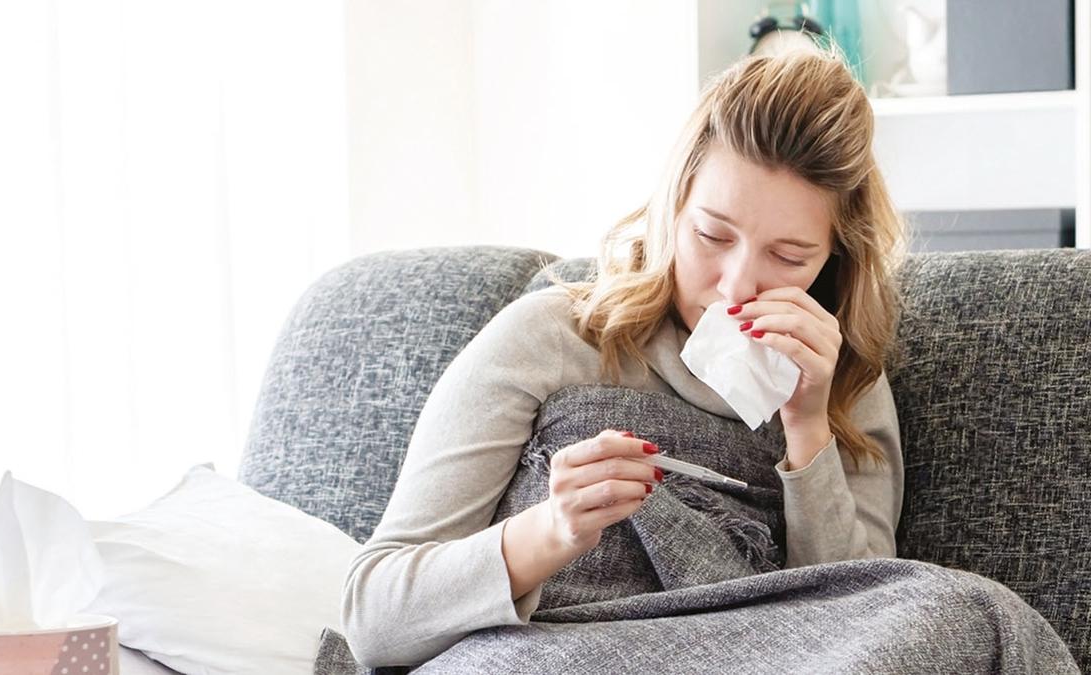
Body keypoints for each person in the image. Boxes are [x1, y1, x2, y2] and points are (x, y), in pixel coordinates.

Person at [341, 47, 907, 667]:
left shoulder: (846, 383)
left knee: (962, 603)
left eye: (789, 257)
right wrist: (552, 531)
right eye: (712, 236)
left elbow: (867, 633)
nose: (736, 287)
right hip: (554, 656)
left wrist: (807, 426)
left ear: (835, 256)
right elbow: (375, 618)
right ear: (671, 210)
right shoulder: (550, 338)